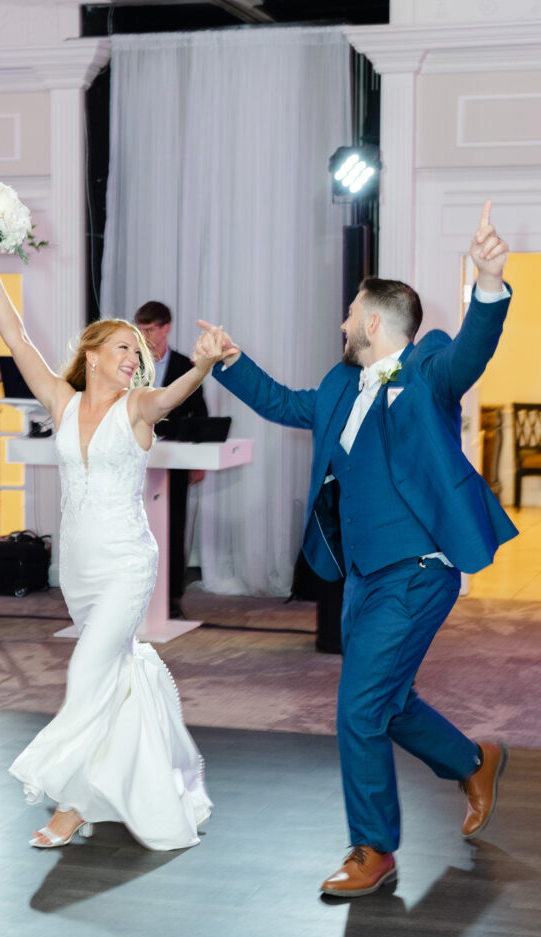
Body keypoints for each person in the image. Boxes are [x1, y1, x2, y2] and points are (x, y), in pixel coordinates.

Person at [201, 202, 517, 896]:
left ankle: (372, 848)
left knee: (354, 708)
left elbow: (472, 350)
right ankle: (470, 761)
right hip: (361, 579)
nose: (341, 324)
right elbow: (285, 402)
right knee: (385, 701)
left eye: (349, 314)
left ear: (373, 322)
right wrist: (231, 360)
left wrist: (487, 286)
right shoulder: (342, 384)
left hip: (418, 571)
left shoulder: (429, 368)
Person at [0, 243, 217, 851]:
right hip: (77, 569)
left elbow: (169, 397)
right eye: (125, 347)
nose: (136, 357)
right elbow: (17, 336)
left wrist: (203, 366)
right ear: (93, 354)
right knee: (110, 676)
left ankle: (69, 804)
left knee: (86, 672)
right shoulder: (63, 400)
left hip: (129, 562)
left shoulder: (137, 408)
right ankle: (140, 782)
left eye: (139, 349)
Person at [134, 301, 208, 618]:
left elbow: (200, 413)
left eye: (150, 329)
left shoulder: (184, 364)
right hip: (135, 457)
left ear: (166, 328)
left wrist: (198, 459)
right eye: (141, 329)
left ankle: (172, 598)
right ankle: (135, 597)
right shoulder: (130, 362)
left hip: (175, 457)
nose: (145, 336)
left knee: (173, 527)